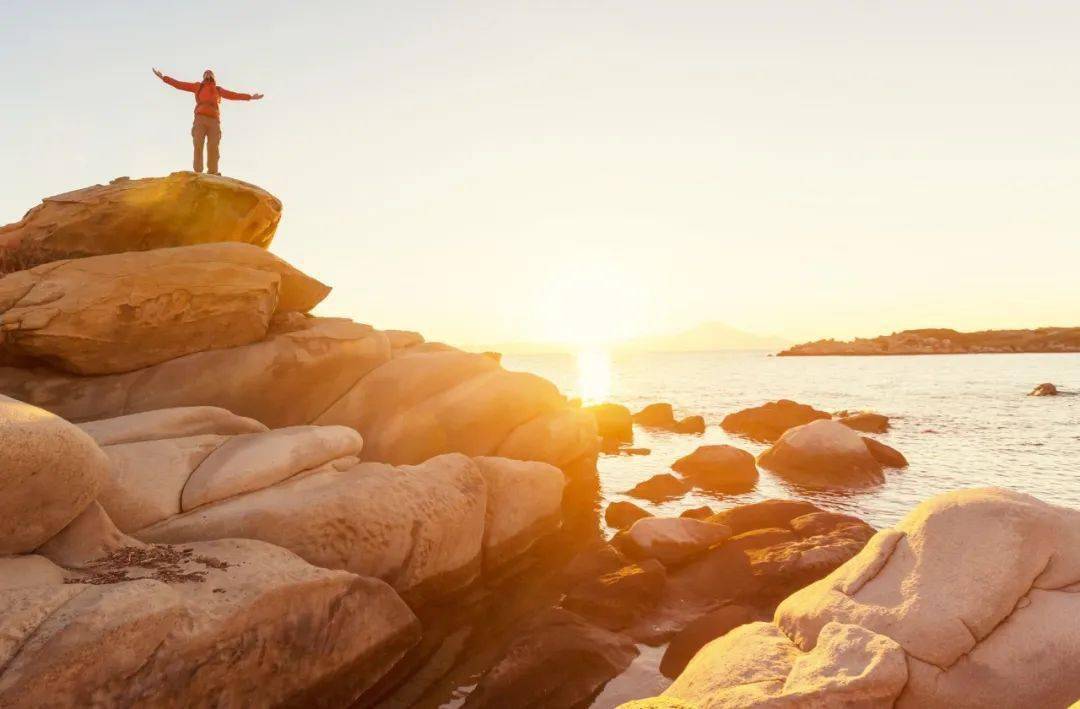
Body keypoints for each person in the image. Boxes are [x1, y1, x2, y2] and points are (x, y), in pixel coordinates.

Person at [152, 68, 264, 175]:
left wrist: (250, 97)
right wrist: (163, 78)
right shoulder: (198, 86)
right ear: (203, 76)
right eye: (206, 73)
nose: (208, 74)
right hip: (200, 119)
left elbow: (233, 95)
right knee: (198, 143)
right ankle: (198, 172)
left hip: (214, 121)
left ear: (213, 77)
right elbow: (179, 84)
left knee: (213, 146)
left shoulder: (218, 90)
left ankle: (213, 172)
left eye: (210, 73)